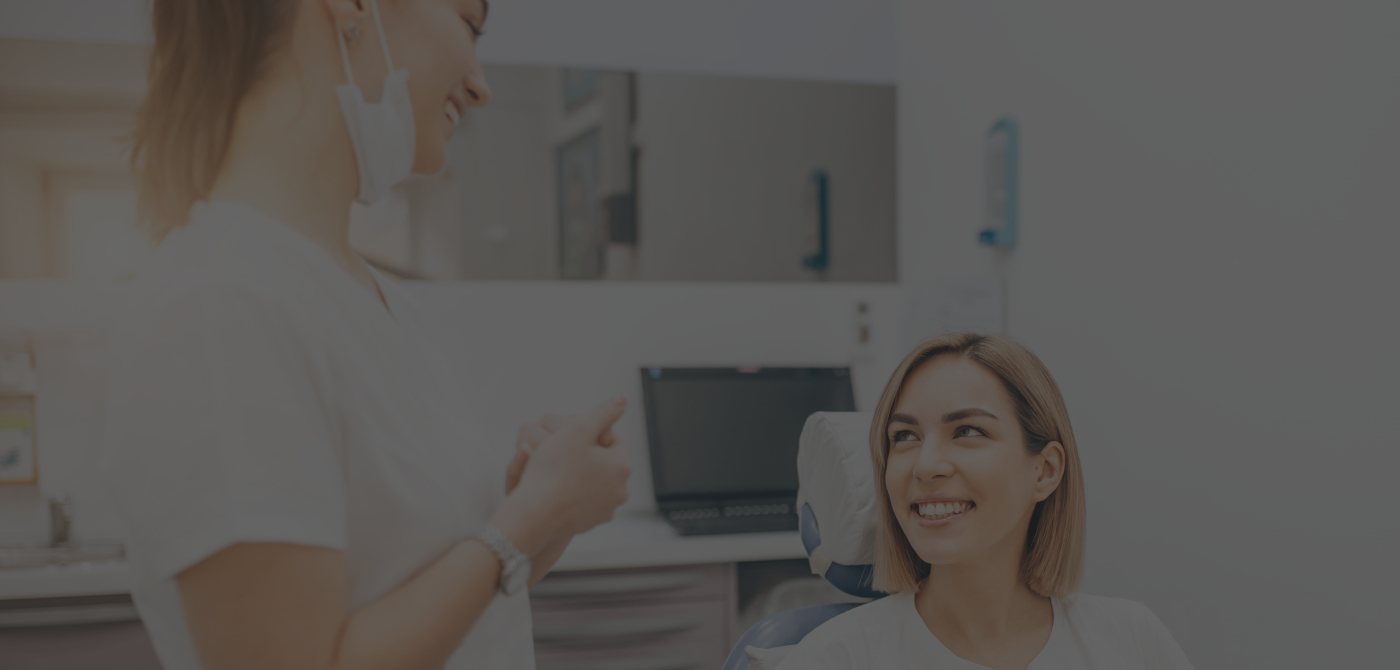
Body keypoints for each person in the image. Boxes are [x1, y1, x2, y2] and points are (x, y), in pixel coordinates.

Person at [100, 1, 630, 668]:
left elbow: (430, 598)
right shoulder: (220, 301)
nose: (481, 84)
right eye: (471, 23)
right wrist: (522, 525)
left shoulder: (374, 301)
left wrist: (543, 511)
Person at [776, 333, 1193, 669]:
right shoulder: (835, 657)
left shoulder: (1131, 640)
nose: (926, 466)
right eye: (904, 437)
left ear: (1045, 471)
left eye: (968, 432)